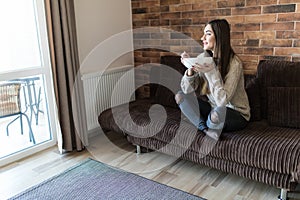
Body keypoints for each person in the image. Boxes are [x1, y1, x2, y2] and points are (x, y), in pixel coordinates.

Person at [175, 19, 250, 141]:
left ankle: (203, 122)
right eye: (204, 33)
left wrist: (210, 72)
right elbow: (187, 90)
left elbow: (222, 102)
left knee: (217, 113)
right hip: (212, 108)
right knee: (180, 96)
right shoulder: (204, 58)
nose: (202, 38)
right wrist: (190, 68)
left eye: (208, 34)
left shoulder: (234, 63)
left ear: (219, 37)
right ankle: (205, 129)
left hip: (235, 113)